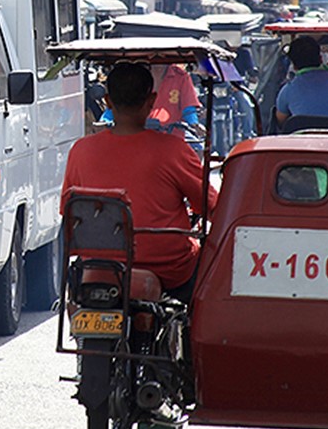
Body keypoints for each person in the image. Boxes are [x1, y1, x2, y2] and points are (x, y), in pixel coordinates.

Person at [61, 62, 217, 303]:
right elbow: (210, 206)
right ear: (152, 99)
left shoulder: (80, 150)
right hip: (169, 268)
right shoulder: (174, 150)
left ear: (109, 102)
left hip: (97, 265)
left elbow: (68, 211)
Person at [274, 35, 328, 126]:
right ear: (320, 59)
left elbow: (280, 120)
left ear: (293, 65)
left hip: (304, 138)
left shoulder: (288, 90)